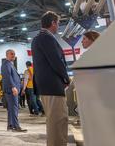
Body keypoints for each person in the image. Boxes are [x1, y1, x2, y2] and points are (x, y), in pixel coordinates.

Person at [32, 11, 70, 146]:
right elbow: (56, 61)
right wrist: (66, 78)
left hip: (48, 86)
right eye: (58, 23)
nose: (58, 26)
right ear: (53, 23)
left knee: (56, 120)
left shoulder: (40, 38)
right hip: (52, 86)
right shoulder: (46, 38)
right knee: (57, 121)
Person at [1, 49, 27, 132]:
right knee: (14, 107)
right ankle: (16, 126)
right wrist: (13, 87)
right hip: (11, 89)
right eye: (11, 54)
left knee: (11, 108)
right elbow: (7, 76)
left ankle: (10, 125)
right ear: (7, 55)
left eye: (14, 54)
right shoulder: (6, 64)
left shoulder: (10, 64)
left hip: (13, 89)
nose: (13, 55)